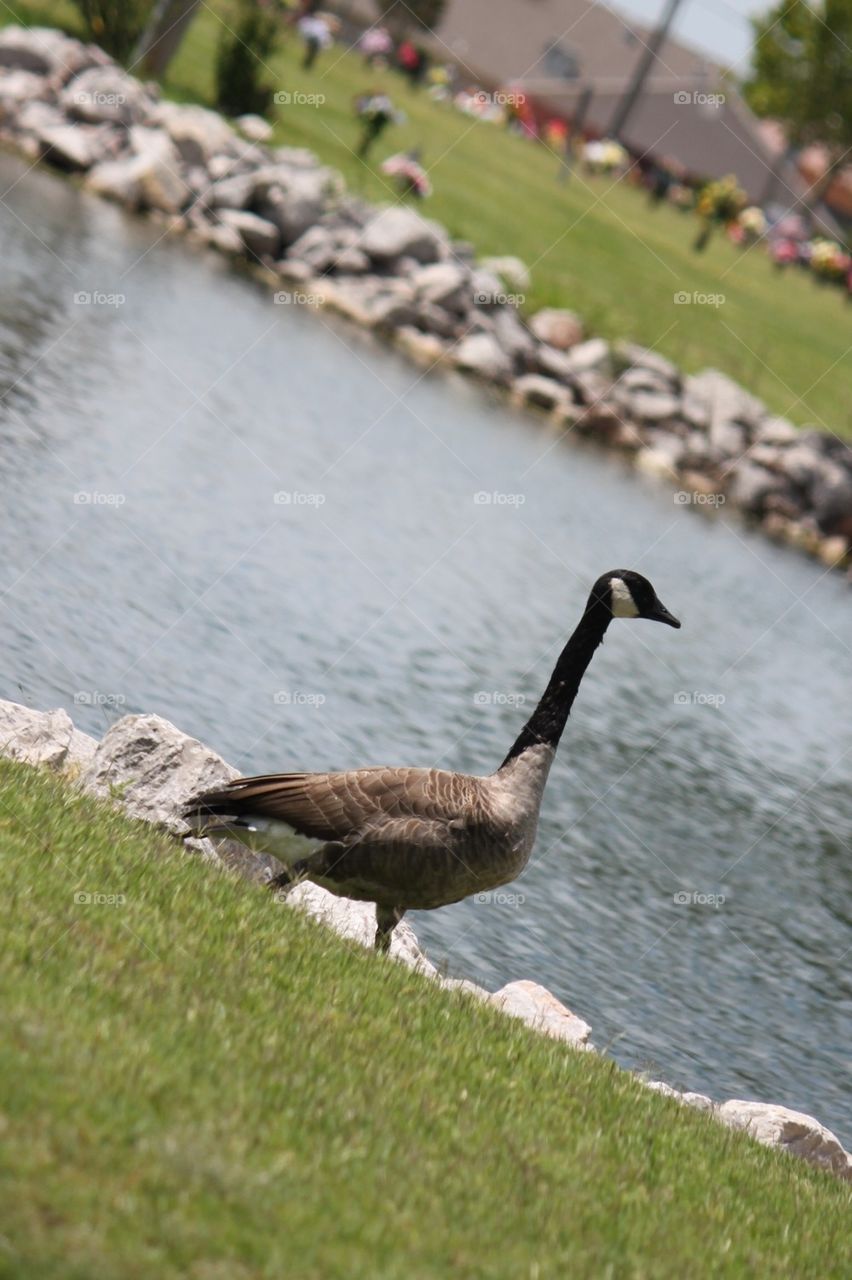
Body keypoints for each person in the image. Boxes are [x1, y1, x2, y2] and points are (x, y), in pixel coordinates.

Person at [354, 90, 400, 160]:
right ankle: (363, 151)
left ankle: (362, 150)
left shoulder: (379, 101)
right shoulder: (385, 102)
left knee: (368, 137)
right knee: (369, 137)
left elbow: (371, 110)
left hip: (377, 121)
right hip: (379, 122)